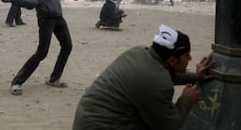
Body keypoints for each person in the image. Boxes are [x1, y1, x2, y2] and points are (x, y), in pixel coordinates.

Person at [73, 24, 214, 130]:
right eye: (186, 55)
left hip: (88, 118)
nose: (190, 58)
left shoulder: (138, 52)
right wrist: (186, 99)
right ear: (172, 60)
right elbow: (171, 126)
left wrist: (195, 77)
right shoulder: (158, 83)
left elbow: (166, 75)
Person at [0, 0, 80, 96]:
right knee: (42, 53)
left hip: (58, 16)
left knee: (67, 46)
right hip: (46, 19)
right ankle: (17, 82)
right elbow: (32, 3)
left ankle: (54, 78)